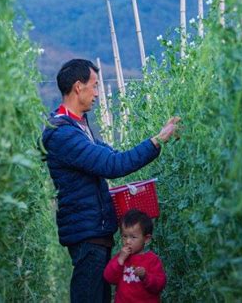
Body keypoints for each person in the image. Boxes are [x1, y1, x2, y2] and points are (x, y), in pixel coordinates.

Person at [41, 59, 180, 303]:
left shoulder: (79, 127)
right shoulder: (63, 133)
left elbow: (113, 156)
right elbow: (113, 165)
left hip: (95, 232)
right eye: (94, 86)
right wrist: (157, 140)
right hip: (87, 235)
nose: (97, 93)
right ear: (78, 87)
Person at [103, 209, 167, 303]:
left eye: (133, 237)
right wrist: (120, 260)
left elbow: (160, 285)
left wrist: (146, 277)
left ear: (147, 239)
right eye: (124, 236)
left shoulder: (152, 260)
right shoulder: (120, 257)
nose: (128, 241)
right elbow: (109, 278)